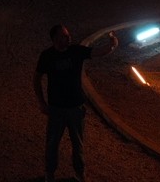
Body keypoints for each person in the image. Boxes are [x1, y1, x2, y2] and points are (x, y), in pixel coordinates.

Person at [33, 24, 118, 182]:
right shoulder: (47, 56)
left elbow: (99, 52)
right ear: (55, 39)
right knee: (52, 144)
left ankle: (79, 173)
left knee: (77, 144)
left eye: (68, 35)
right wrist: (41, 102)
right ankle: (49, 174)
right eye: (64, 36)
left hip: (75, 108)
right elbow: (36, 79)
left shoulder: (76, 51)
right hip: (56, 109)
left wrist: (112, 43)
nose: (69, 38)